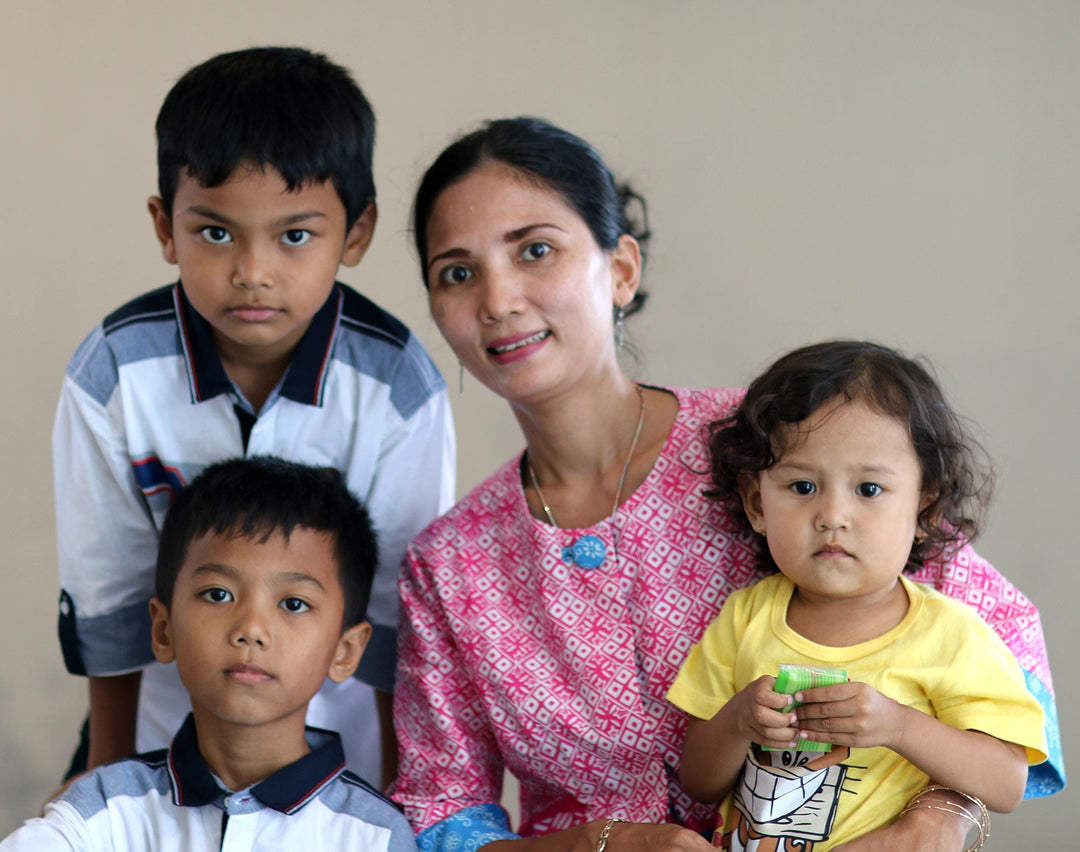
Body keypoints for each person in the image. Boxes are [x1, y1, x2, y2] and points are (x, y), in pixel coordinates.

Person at [390, 117, 1063, 852]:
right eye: (457, 273)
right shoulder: (449, 564)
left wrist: (940, 814)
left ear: (620, 269)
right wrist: (605, 846)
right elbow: (440, 811)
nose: (497, 299)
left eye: (536, 250)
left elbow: (1001, 639)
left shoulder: (778, 448)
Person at [52, 46, 454, 787]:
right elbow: (107, 598)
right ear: (164, 225)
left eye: (294, 236)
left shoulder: (398, 386)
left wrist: (402, 800)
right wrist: (105, 781)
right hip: (159, 742)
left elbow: (402, 619)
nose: (252, 271)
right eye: (215, 232)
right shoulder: (112, 374)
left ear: (356, 234)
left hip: (342, 756)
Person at [668, 340, 1047, 851]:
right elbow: (698, 780)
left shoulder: (954, 636)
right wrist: (739, 720)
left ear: (925, 507)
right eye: (802, 487)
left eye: (868, 490)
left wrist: (897, 726)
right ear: (757, 504)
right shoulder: (744, 618)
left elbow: (1006, 784)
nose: (832, 515)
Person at [6, 458, 417, 850]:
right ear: (164, 630)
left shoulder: (375, 835)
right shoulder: (103, 810)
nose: (251, 629)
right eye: (218, 594)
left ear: (345, 652)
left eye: (293, 603)